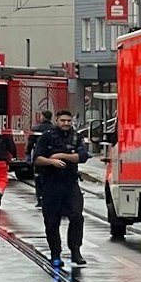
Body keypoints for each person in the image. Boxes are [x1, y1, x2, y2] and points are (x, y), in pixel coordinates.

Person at [31, 110, 91, 268]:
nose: (66, 123)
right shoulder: (47, 136)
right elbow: (37, 159)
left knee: (77, 217)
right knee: (52, 221)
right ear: (56, 120)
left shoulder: (76, 137)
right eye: (63, 120)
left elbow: (83, 157)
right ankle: (55, 254)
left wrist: (60, 156)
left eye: (68, 121)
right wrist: (51, 162)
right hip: (51, 183)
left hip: (70, 183)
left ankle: (75, 251)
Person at [29, 113, 52, 207]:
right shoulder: (54, 128)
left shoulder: (36, 128)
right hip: (51, 157)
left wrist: (27, 153)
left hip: (39, 157)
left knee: (38, 178)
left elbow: (31, 141)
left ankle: (40, 198)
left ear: (43, 117)